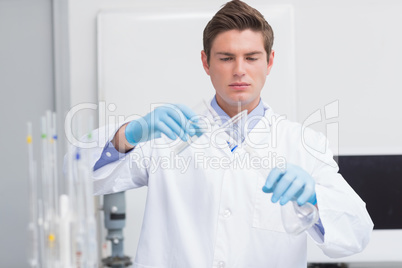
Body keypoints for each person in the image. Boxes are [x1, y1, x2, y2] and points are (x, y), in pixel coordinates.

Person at [88, 1, 373, 267]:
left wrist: (315, 196)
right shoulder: (165, 136)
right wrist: (129, 135)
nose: (239, 70)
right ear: (206, 62)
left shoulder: (303, 144)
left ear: (269, 62)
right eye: (226, 58)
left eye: (251, 57)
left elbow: (357, 233)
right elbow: (77, 175)